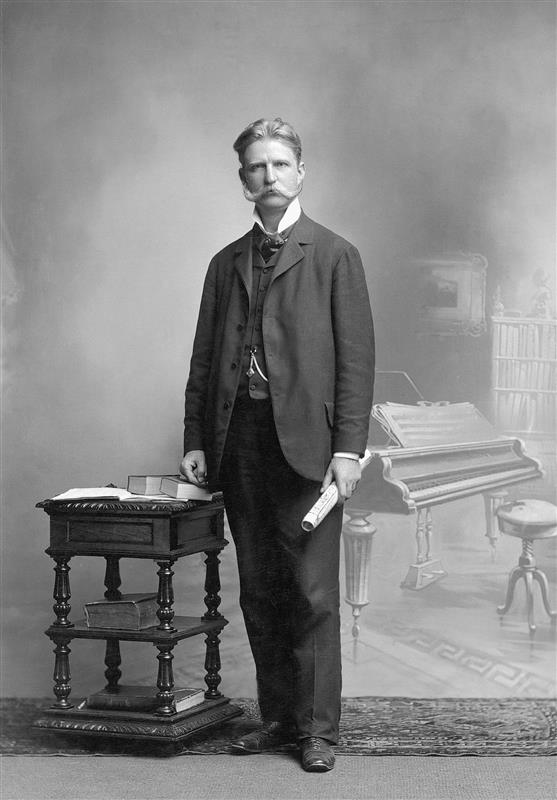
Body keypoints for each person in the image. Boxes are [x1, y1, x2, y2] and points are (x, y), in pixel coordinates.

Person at [180, 118, 374, 772]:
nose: (269, 176)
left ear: (300, 172)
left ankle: (317, 730)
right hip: (238, 444)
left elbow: (356, 363)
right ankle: (279, 719)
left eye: (280, 164)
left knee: (311, 593)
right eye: (257, 167)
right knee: (260, 591)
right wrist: (195, 439)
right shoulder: (224, 263)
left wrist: (347, 449)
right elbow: (203, 361)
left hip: (311, 449)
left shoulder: (335, 255)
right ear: (244, 181)